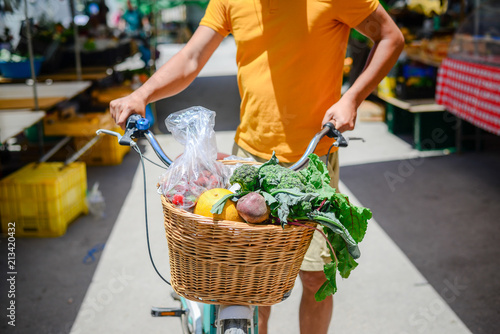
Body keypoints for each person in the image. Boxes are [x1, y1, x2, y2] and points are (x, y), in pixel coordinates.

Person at [110, 1, 404, 333]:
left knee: (314, 279)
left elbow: (390, 37)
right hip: (249, 158)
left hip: (312, 162)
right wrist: (143, 94)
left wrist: (352, 97)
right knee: (251, 283)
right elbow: (191, 58)